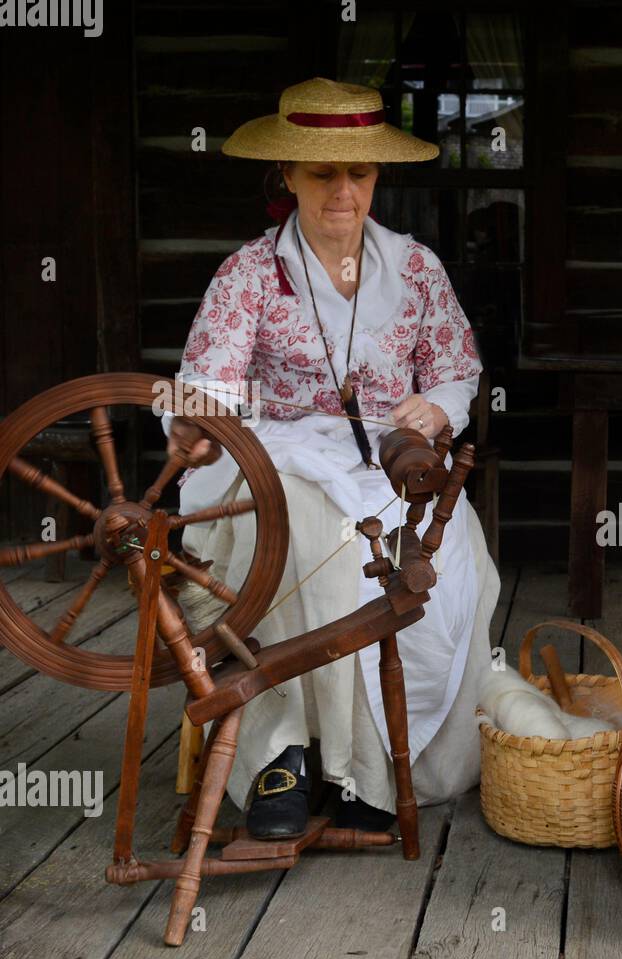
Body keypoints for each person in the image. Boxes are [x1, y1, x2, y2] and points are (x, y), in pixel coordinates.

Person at [165, 78, 500, 839]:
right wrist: (197, 423)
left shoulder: (414, 268)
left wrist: (438, 407)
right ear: (285, 173)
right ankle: (286, 754)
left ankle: (370, 766)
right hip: (268, 454)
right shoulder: (248, 275)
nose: (343, 191)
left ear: (377, 177)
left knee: (446, 554)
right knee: (300, 526)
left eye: (360, 172)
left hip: (384, 460)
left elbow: (456, 367)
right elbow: (206, 386)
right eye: (322, 173)